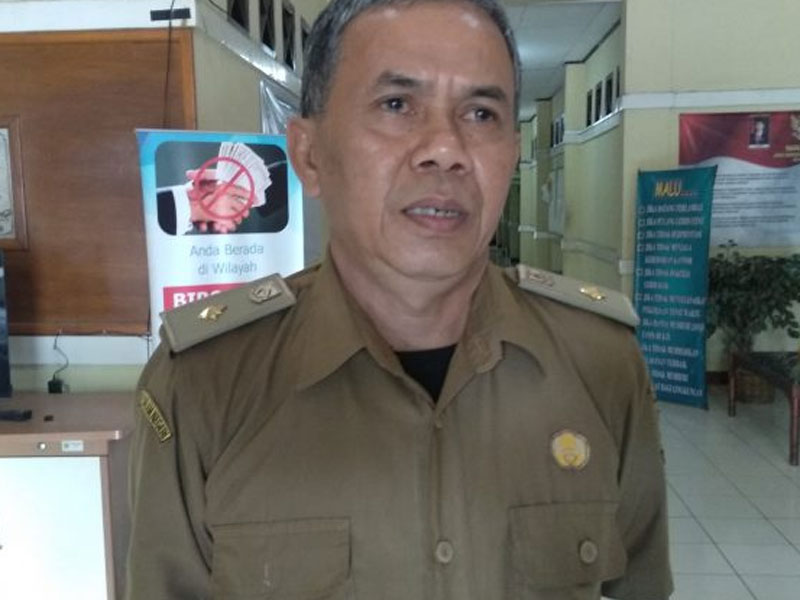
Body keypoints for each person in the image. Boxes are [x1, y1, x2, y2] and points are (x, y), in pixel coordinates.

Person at [126, 0, 673, 597]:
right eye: (396, 105)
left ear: (511, 155)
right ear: (309, 155)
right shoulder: (205, 385)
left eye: (481, 113)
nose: (446, 149)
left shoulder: (600, 364)